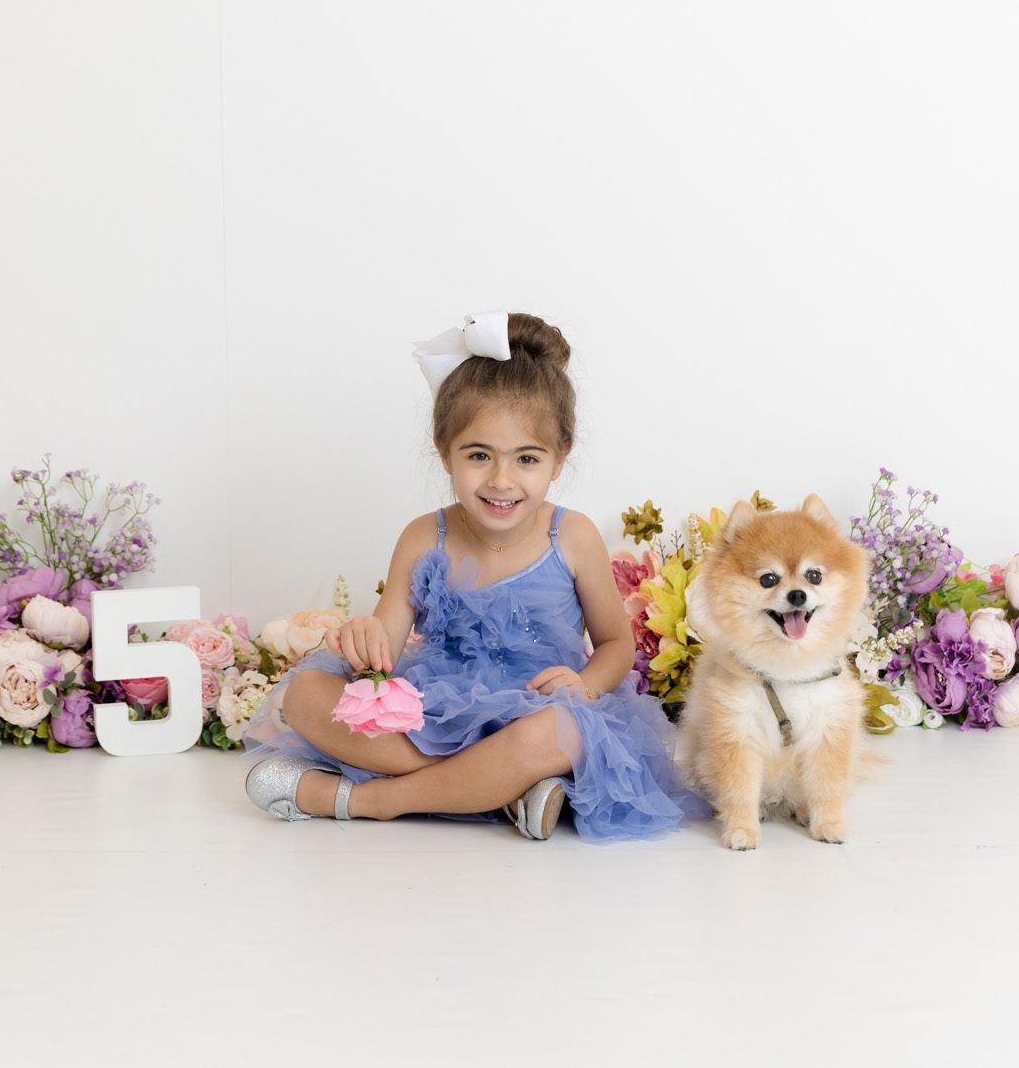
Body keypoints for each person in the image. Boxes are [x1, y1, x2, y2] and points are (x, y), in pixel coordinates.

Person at [241, 312, 707, 841]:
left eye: (526, 458)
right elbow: (385, 645)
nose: (502, 481)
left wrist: (584, 683)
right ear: (444, 454)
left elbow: (615, 645)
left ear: (559, 461)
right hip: (438, 706)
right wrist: (364, 639)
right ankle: (502, 790)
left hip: (535, 707)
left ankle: (370, 800)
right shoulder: (424, 536)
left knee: (557, 736)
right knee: (305, 694)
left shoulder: (571, 536)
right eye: (479, 455)